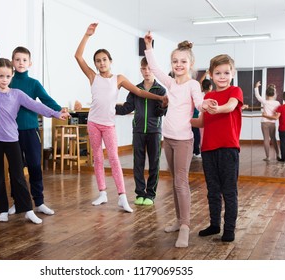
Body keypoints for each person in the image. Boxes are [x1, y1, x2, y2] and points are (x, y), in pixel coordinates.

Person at [74, 23, 168, 213]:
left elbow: (139, 93)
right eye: (98, 60)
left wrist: (159, 97)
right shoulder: (92, 77)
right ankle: (102, 192)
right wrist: (87, 35)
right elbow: (78, 56)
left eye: (104, 60)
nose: (101, 63)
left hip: (108, 125)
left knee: (114, 159)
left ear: (110, 61)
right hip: (93, 123)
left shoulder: (118, 79)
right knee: (98, 159)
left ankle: (122, 197)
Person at [0, 46, 69, 223]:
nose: (4, 79)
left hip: (12, 139)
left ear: (12, 76)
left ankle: (29, 208)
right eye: (0, 76)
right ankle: (2, 209)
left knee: (19, 175)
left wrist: (57, 113)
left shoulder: (17, 93)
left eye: (7, 76)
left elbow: (38, 106)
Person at [144, 32, 211, 247]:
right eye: (175, 61)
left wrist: (206, 106)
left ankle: (185, 226)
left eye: (183, 61)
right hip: (169, 139)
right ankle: (179, 220)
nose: (178, 64)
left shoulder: (192, 85)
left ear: (190, 63)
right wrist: (148, 45)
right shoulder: (171, 84)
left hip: (183, 141)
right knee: (175, 182)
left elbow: (199, 103)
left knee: (181, 182)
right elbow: (154, 68)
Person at [6, 46, 66, 216]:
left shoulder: (34, 83)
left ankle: (39, 202)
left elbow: (47, 100)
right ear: (12, 62)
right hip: (11, 133)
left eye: (24, 60)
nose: (20, 63)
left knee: (34, 165)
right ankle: (18, 202)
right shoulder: (8, 82)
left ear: (30, 63)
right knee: (15, 169)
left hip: (31, 131)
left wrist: (59, 110)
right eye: (17, 59)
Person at [191, 54, 243, 242]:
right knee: (213, 190)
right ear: (211, 75)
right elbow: (202, 122)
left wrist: (216, 109)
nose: (222, 76)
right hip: (208, 150)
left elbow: (229, 107)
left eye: (226, 72)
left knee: (229, 191)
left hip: (228, 149)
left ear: (232, 73)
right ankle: (214, 225)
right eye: (218, 73)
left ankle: (229, 229)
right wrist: (181, 119)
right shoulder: (208, 96)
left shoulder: (235, 91)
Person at [115, 57, 167, 206]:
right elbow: (126, 108)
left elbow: (160, 112)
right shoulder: (135, 89)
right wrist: (108, 106)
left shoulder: (161, 90)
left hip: (154, 132)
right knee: (138, 163)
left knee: (154, 163)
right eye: (144, 69)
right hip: (138, 131)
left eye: (149, 68)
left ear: (154, 70)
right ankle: (140, 193)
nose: (147, 71)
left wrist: (163, 105)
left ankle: (150, 194)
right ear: (141, 70)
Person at [263, 90, 285, 162]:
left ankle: (283, 158)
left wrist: (265, 115)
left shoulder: (281, 108)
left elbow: (276, 117)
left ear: (283, 99)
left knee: (283, 144)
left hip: (283, 129)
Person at [254, 81, 281, 161]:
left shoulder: (265, 101)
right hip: (272, 123)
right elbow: (277, 113)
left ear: (266, 94)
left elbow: (257, 96)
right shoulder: (277, 103)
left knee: (266, 139)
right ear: (274, 94)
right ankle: (278, 155)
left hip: (264, 122)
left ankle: (268, 157)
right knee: (273, 139)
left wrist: (256, 87)